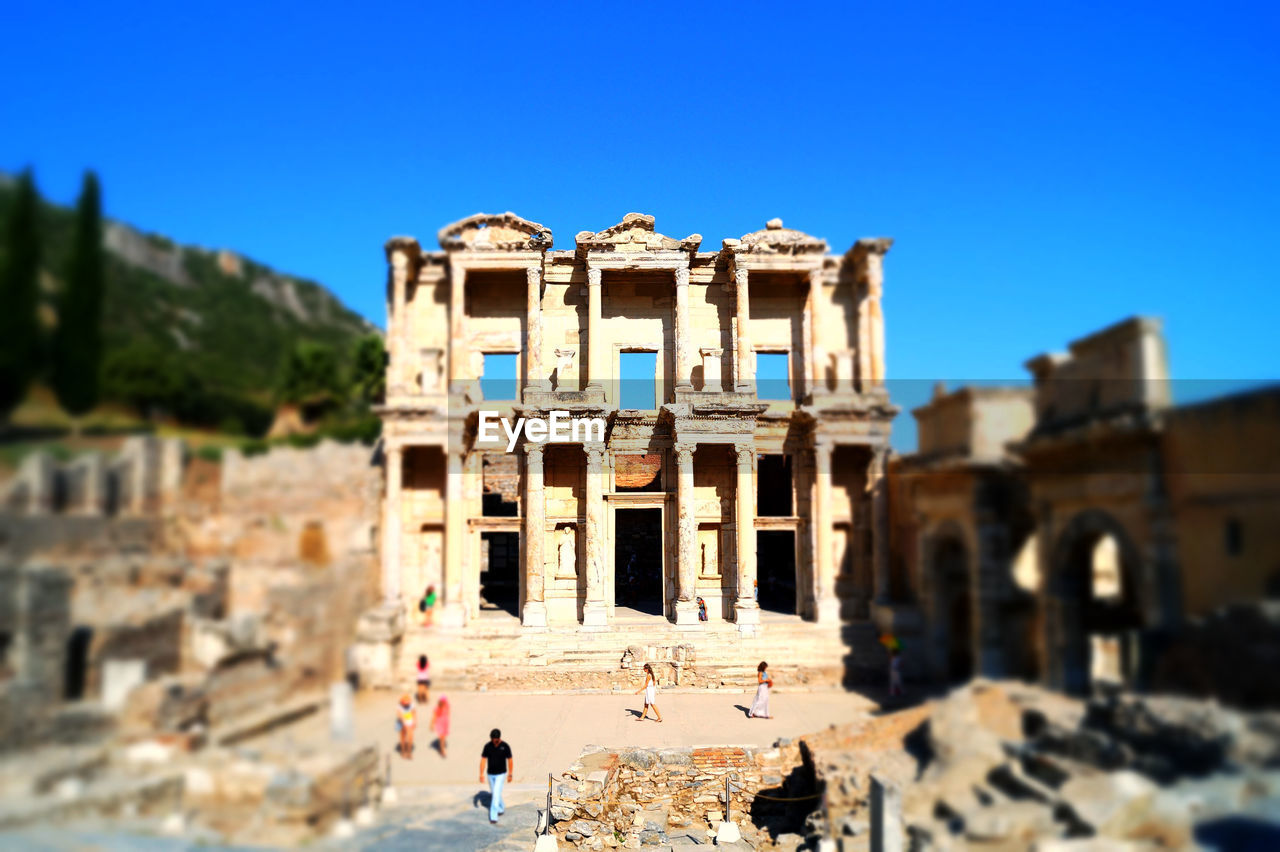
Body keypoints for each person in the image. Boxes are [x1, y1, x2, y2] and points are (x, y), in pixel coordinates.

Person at [479, 728, 514, 824]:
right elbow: (483, 760)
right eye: (493, 739)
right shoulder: (487, 746)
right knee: (496, 793)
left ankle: (493, 816)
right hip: (490, 774)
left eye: (496, 740)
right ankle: (501, 808)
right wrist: (481, 774)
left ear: (499, 738)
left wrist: (510, 774)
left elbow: (510, 760)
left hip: (501, 774)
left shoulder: (505, 746)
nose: (494, 741)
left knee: (495, 795)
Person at [396, 694, 416, 759]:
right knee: (403, 737)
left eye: (408, 703)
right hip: (401, 722)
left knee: (410, 737)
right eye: (405, 703)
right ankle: (403, 751)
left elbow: (414, 713)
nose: (406, 704)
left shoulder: (412, 705)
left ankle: (409, 752)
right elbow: (399, 715)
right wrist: (404, 722)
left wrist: (415, 721)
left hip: (409, 721)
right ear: (402, 702)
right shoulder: (399, 706)